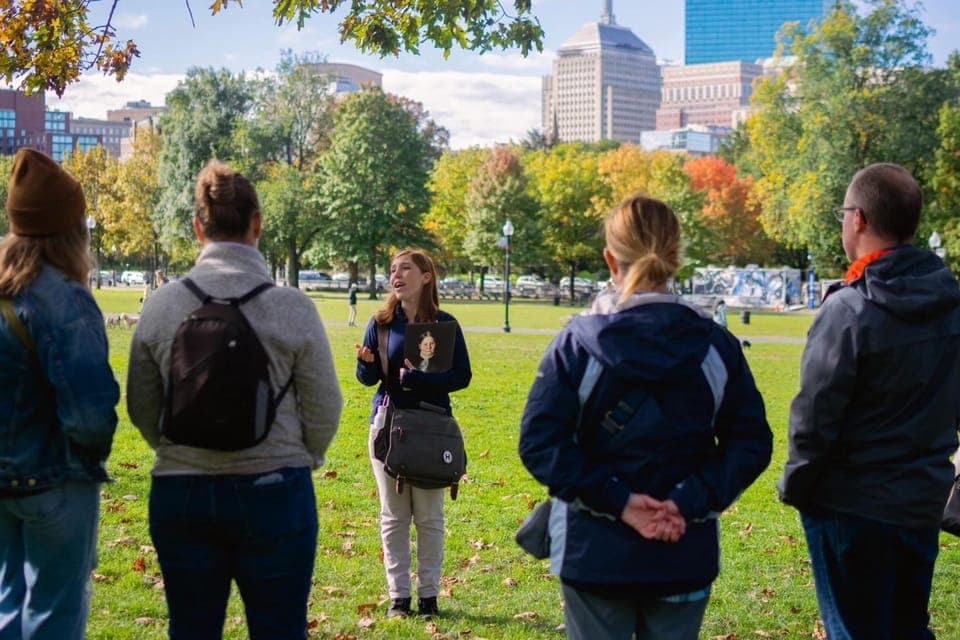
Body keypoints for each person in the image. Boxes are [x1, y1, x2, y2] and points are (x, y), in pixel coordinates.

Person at [519, 194, 772, 640]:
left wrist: (621, 501)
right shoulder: (716, 347)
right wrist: (685, 501)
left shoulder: (575, 345)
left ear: (609, 260)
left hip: (594, 552)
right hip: (681, 548)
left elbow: (541, 444)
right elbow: (749, 443)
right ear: (677, 257)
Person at [127, 159, 343, 639]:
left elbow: (141, 404)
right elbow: (325, 405)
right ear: (258, 224)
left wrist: (178, 450)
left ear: (197, 227)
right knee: (280, 629)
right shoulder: (292, 306)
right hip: (275, 488)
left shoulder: (163, 304)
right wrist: (301, 455)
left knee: (192, 629)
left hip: (181, 490)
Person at [778, 163, 960, 640]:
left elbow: (814, 416)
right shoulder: (950, 301)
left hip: (851, 507)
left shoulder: (849, 309)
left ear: (857, 219)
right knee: (906, 628)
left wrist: (797, 485)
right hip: (920, 500)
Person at [0, 148, 120, 639]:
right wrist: (88, 456)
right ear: (73, 230)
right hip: (55, 479)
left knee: (8, 608)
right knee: (54, 616)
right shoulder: (66, 299)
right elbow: (92, 414)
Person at [355, 249, 472, 619]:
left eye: (405, 268)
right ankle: (399, 598)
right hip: (388, 426)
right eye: (393, 269)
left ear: (426, 277)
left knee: (429, 517)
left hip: (432, 429)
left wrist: (420, 379)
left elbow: (462, 376)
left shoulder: (445, 324)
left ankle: (429, 597)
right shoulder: (381, 322)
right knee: (393, 516)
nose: (396, 274)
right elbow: (368, 380)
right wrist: (365, 364)